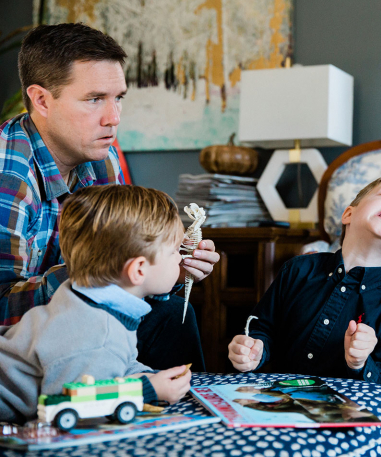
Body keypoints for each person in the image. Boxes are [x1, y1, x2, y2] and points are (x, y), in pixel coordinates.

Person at [0, 23, 219, 371]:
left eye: (118, 98)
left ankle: (188, 415)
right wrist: (102, 271)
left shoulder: (103, 158)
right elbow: (1, 306)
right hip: (17, 351)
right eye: (94, 99)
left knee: (172, 313)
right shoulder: (7, 175)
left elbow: (125, 272)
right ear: (41, 100)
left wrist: (164, 266)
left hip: (81, 323)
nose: (113, 118)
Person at [0, 185, 192, 423]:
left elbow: (117, 362)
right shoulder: (97, 335)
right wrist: (146, 390)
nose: (181, 258)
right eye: (174, 251)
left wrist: (149, 376)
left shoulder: (82, 295)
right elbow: (73, 406)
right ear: (139, 270)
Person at [227, 175, 381, 389]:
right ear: (348, 214)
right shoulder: (297, 270)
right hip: (277, 402)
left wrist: (361, 363)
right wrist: (253, 351)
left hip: (345, 416)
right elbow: (262, 327)